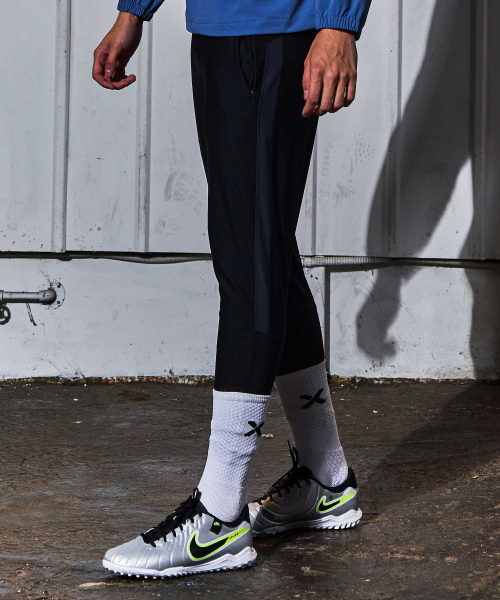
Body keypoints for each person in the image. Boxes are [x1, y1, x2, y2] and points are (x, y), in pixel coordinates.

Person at [94, 0, 371, 579]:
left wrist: (339, 21)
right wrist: (133, 12)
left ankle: (219, 514)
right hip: (219, 28)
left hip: (281, 30)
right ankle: (327, 477)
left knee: (249, 256)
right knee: (264, 248)